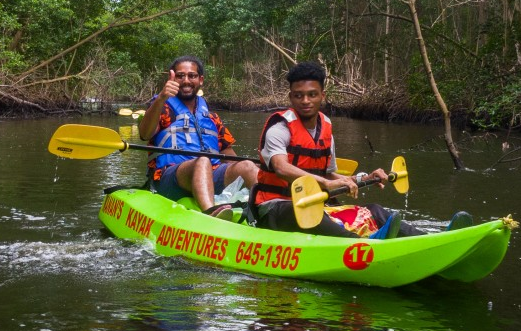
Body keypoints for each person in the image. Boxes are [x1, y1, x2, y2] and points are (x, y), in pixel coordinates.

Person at [253, 61, 426, 239]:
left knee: (375, 210)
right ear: (291, 97)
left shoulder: (326, 129)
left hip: (314, 205)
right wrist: (327, 184)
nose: (305, 101)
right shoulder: (278, 128)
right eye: (299, 96)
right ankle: (364, 246)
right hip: (276, 207)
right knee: (299, 211)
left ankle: (424, 238)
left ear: (322, 96)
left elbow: (328, 176)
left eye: (312, 95)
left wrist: (364, 178)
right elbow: (281, 168)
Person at [137, 56, 257, 221]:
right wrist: (160, 98)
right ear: (172, 79)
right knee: (202, 161)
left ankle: (267, 209)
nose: (186, 80)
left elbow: (229, 156)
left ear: (200, 80)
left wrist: (257, 170)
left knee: (248, 166)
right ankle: (211, 213)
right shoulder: (163, 108)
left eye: (192, 76)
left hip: (211, 176)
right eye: (180, 76)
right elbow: (145, 134)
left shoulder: (212, 118)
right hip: (170, 178)